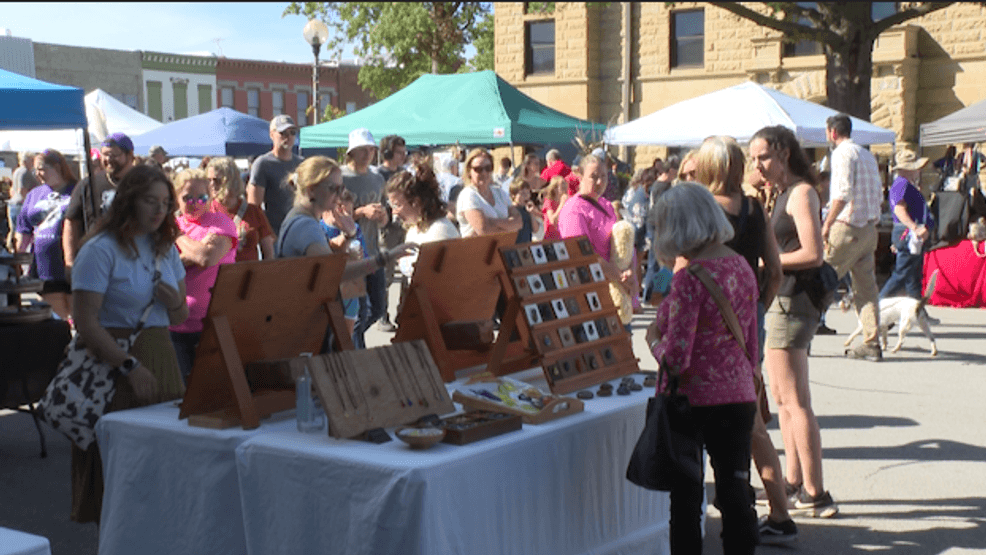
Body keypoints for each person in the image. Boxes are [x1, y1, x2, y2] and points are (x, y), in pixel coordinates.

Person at [645, 182, 760, 555]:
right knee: (735, 490)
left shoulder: (689, 279)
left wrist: (652, 342)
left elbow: (677, 357)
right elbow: (751, 340)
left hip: (693, 401)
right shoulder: (741, 265)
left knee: (686, 500)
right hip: (739, 394)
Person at [69, 164, 188, 524]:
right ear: (128, 201)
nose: (158, 210)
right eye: (150, 201)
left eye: (165, 203)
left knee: (165, 470)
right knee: (119, 476)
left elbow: (180, 316)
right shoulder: (100, 250)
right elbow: (86, 322)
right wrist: (128, 366)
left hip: (162, 360)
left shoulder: (165, 248)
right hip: (114, 368)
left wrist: (173, 301)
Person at [692, 136, 793, 543]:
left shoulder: (703, 209)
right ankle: (778, 510)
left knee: (714, 420)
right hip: (746, 321)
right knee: (748, 420)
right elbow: (775, 270)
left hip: (706, 323)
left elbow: (686, 268)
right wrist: (757, 309)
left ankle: (757, 512)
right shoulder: (754, 208)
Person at [750, 125, 839, 519]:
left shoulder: (801, 193)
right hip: (785, 301)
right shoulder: (784, 192)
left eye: (763, 157)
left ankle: (816, 492)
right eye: (753, 158)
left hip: (793, 302)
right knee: (785, 401)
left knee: (795, 401)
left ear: (784, 153)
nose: (758, 165)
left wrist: (767, 260)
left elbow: (813, 253)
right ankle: (794, 480)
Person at [276, 156, 415, 352]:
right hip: (307, 329)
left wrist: (349, 235)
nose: (340, 194)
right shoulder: (306, 226)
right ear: (311, 190)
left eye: (342, 188)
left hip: (307, 323)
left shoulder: (301, 220)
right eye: (333, 188)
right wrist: (386, 258)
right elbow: (335, 273)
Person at [821, 113, 884, 361]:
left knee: (821, 277)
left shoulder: (841, 154)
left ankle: (799, 335)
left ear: (833, 132)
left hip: (848, 225)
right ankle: (872, 341)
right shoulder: (867, 154)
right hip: (869, 227)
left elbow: (842, 192)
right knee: (866, 289)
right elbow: (878, 194)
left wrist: (827, 223)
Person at [169, 169, 237, 382]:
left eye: (202, 197)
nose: (195, 203)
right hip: (173, 325)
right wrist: (192, 254)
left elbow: (207, 257)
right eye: (187, 197)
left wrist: (178, 238)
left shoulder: (221, 222)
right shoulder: (170, 225)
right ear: (177, 198)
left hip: (212, 325)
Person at [386, 164, 460, 312]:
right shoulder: (414, 230)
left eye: (397, 205)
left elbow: (438, 284)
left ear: (417, 202)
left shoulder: (440, 231)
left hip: (439, 314)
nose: (393, 212)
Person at [341, 128, 390, 349]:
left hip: (373, 249)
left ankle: (352, 339)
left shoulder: (377, 178)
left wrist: (383, 216)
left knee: (378, 308)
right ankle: (356, 351)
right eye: (362, 149)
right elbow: (331, 215)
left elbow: (385, 215)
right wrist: (360, 212)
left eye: (371, 149)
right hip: (351, 255)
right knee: (360, 311)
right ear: (351, 152)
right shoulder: (341, 177)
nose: (368, 154)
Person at [15, 149, 77, 320]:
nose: (37, 174)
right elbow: (24, 230)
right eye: (35, 169)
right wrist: (17, 261)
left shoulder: (78, 190)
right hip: (44, 266)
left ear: (57, 167)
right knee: (57, 321)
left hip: (72, 265)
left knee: (78, 321)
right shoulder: (34, 194)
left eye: (42, 168)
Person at [63, 133, 137, 278]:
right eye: (104, 155)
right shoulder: (87, 184)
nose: (108, 159)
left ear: (130, 156)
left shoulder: (144, 183)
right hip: (95, 263)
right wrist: (70, 262)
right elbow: (71, 223)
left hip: (134, 263)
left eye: (114, 155)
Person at [557, 154, 630, 298]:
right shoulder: (573, 209)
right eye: (593, 177)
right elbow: (580, 251)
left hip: (613, 286)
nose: (599, 182)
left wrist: (629, 272)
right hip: (588, 289)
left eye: (604, 176)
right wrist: (616, 274)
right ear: (580, 175)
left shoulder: (607, 205)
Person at [879, 149, 934, 300]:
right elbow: (899, 209)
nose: (918, 170)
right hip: (908, 232)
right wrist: (915, 228)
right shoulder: (902, 184)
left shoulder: (903, 184)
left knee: (912, 274)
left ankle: (917, 311)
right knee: (903, 274)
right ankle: (878, 307)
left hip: (907, 232)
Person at [207, 156, 275, 262]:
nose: (211, 185)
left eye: (217, 180)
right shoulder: (207, 211)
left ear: (231, 181)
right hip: (217, 276)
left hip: (249, 275)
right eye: (209, 180)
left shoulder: (253, 211)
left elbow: (269, 253)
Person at [321, 189, 368, 337]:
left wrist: (360, 257)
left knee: (347, 338)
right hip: (329, 290)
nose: (347, 218)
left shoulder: (355, 229)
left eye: (350, 213)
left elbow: (364, 258)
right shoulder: (320, 228)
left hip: (350, 290)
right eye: (342, 211)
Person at [375, 134, 409, 333]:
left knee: (407, 272)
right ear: (387, 153)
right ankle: (382, 315)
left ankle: (403, 313)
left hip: (404, 226)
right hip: (387, 230)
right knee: (386, 275)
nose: (403, 156)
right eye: (399, 152)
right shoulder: (378, 175)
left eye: (404, 152)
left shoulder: (404, 174)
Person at [247, 115, 303, 235]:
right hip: (275, 232)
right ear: (272, 135)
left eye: (292, 132)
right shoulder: (263, 164)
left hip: (299, 230)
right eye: (283, 133)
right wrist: (268, 235)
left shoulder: (302, 164)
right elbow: (254, 207)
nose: (288, 137)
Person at [456, 148, 523, 238]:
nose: (484, 173)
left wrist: (493, 222)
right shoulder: (468, 195)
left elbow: (519, 222)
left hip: (502, 249)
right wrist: (509, 226)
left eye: (488, 168)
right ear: (469, 171)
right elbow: (484, 230)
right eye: (478, 169)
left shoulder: (499, 192)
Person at [8, 151, 39, 248]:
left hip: (13, 203)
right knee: (21, 232)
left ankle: (12, 253)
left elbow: (12, 190)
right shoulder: (24, 172)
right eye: (32, 160)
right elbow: (22, 190)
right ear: (27, 161)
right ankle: (18, 256)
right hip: (21, 205)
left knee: (14, 231)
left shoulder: (17, 171)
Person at [509, 177, 544, 244]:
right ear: (513, 195)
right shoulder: (511, 209)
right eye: (522, 193)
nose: (526, 196)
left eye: (528, 193)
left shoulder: (527, 209)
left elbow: (536, 230)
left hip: (526, 244)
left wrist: (531, 213)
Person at [541, 175, 569, 241]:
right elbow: (552, 221)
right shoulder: (549, 201)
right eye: (562, 184)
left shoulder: (566, 199)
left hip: (562, 236)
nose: (565, 186)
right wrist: (562, 204)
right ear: (555, 188)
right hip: (551, 238)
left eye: (565, 183)